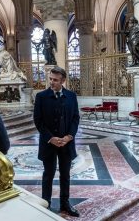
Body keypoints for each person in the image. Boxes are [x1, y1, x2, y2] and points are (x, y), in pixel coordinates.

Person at [33, 66, 80, 217]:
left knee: (65, 174)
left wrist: (69, 136)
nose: (52, 82)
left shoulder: (71, 96)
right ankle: (45, 203)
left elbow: (75, 118)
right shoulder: (41, 96)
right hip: (49, 143)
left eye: (55, 80)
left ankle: (65, 204)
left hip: (66, 143)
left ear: (63, 80)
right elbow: (38, 121)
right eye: (51, 79)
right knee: (49, 173)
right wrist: (50, 138)